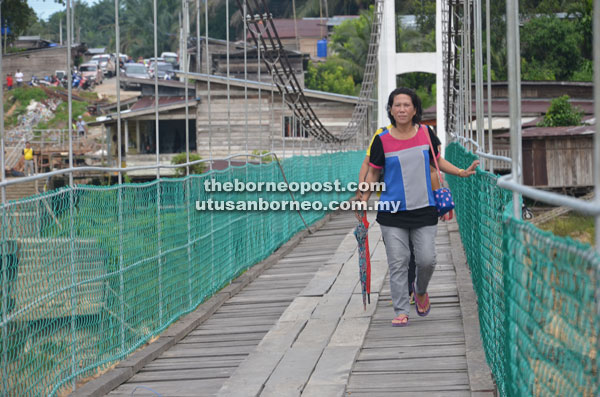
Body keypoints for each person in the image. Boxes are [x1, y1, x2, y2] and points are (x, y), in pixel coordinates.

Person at [359, 87, 478, 327]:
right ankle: (401, 310)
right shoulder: (381, 140)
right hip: (392, 212)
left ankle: (420, 290)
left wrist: (460, 172)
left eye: (406, 105)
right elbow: (373, 172)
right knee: (398, 261)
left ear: (415, 110)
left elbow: (438, 160)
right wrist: (363, 198)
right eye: (397, 105)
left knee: (427, 260)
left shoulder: (426, 133)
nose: (401, 109)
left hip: (424, 208)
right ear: (390, 109)